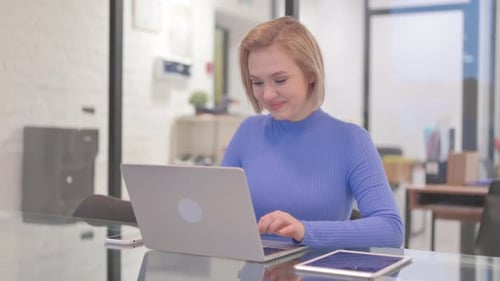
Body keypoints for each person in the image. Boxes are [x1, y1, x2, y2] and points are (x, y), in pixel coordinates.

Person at [221, 16, 403, 249]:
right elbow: (219, 213)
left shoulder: (351, 141)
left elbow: (390, 229)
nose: (267, 94)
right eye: (257, 82)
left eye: (279, 80)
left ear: (310, 75)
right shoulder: (247, 132)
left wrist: (305, 231)